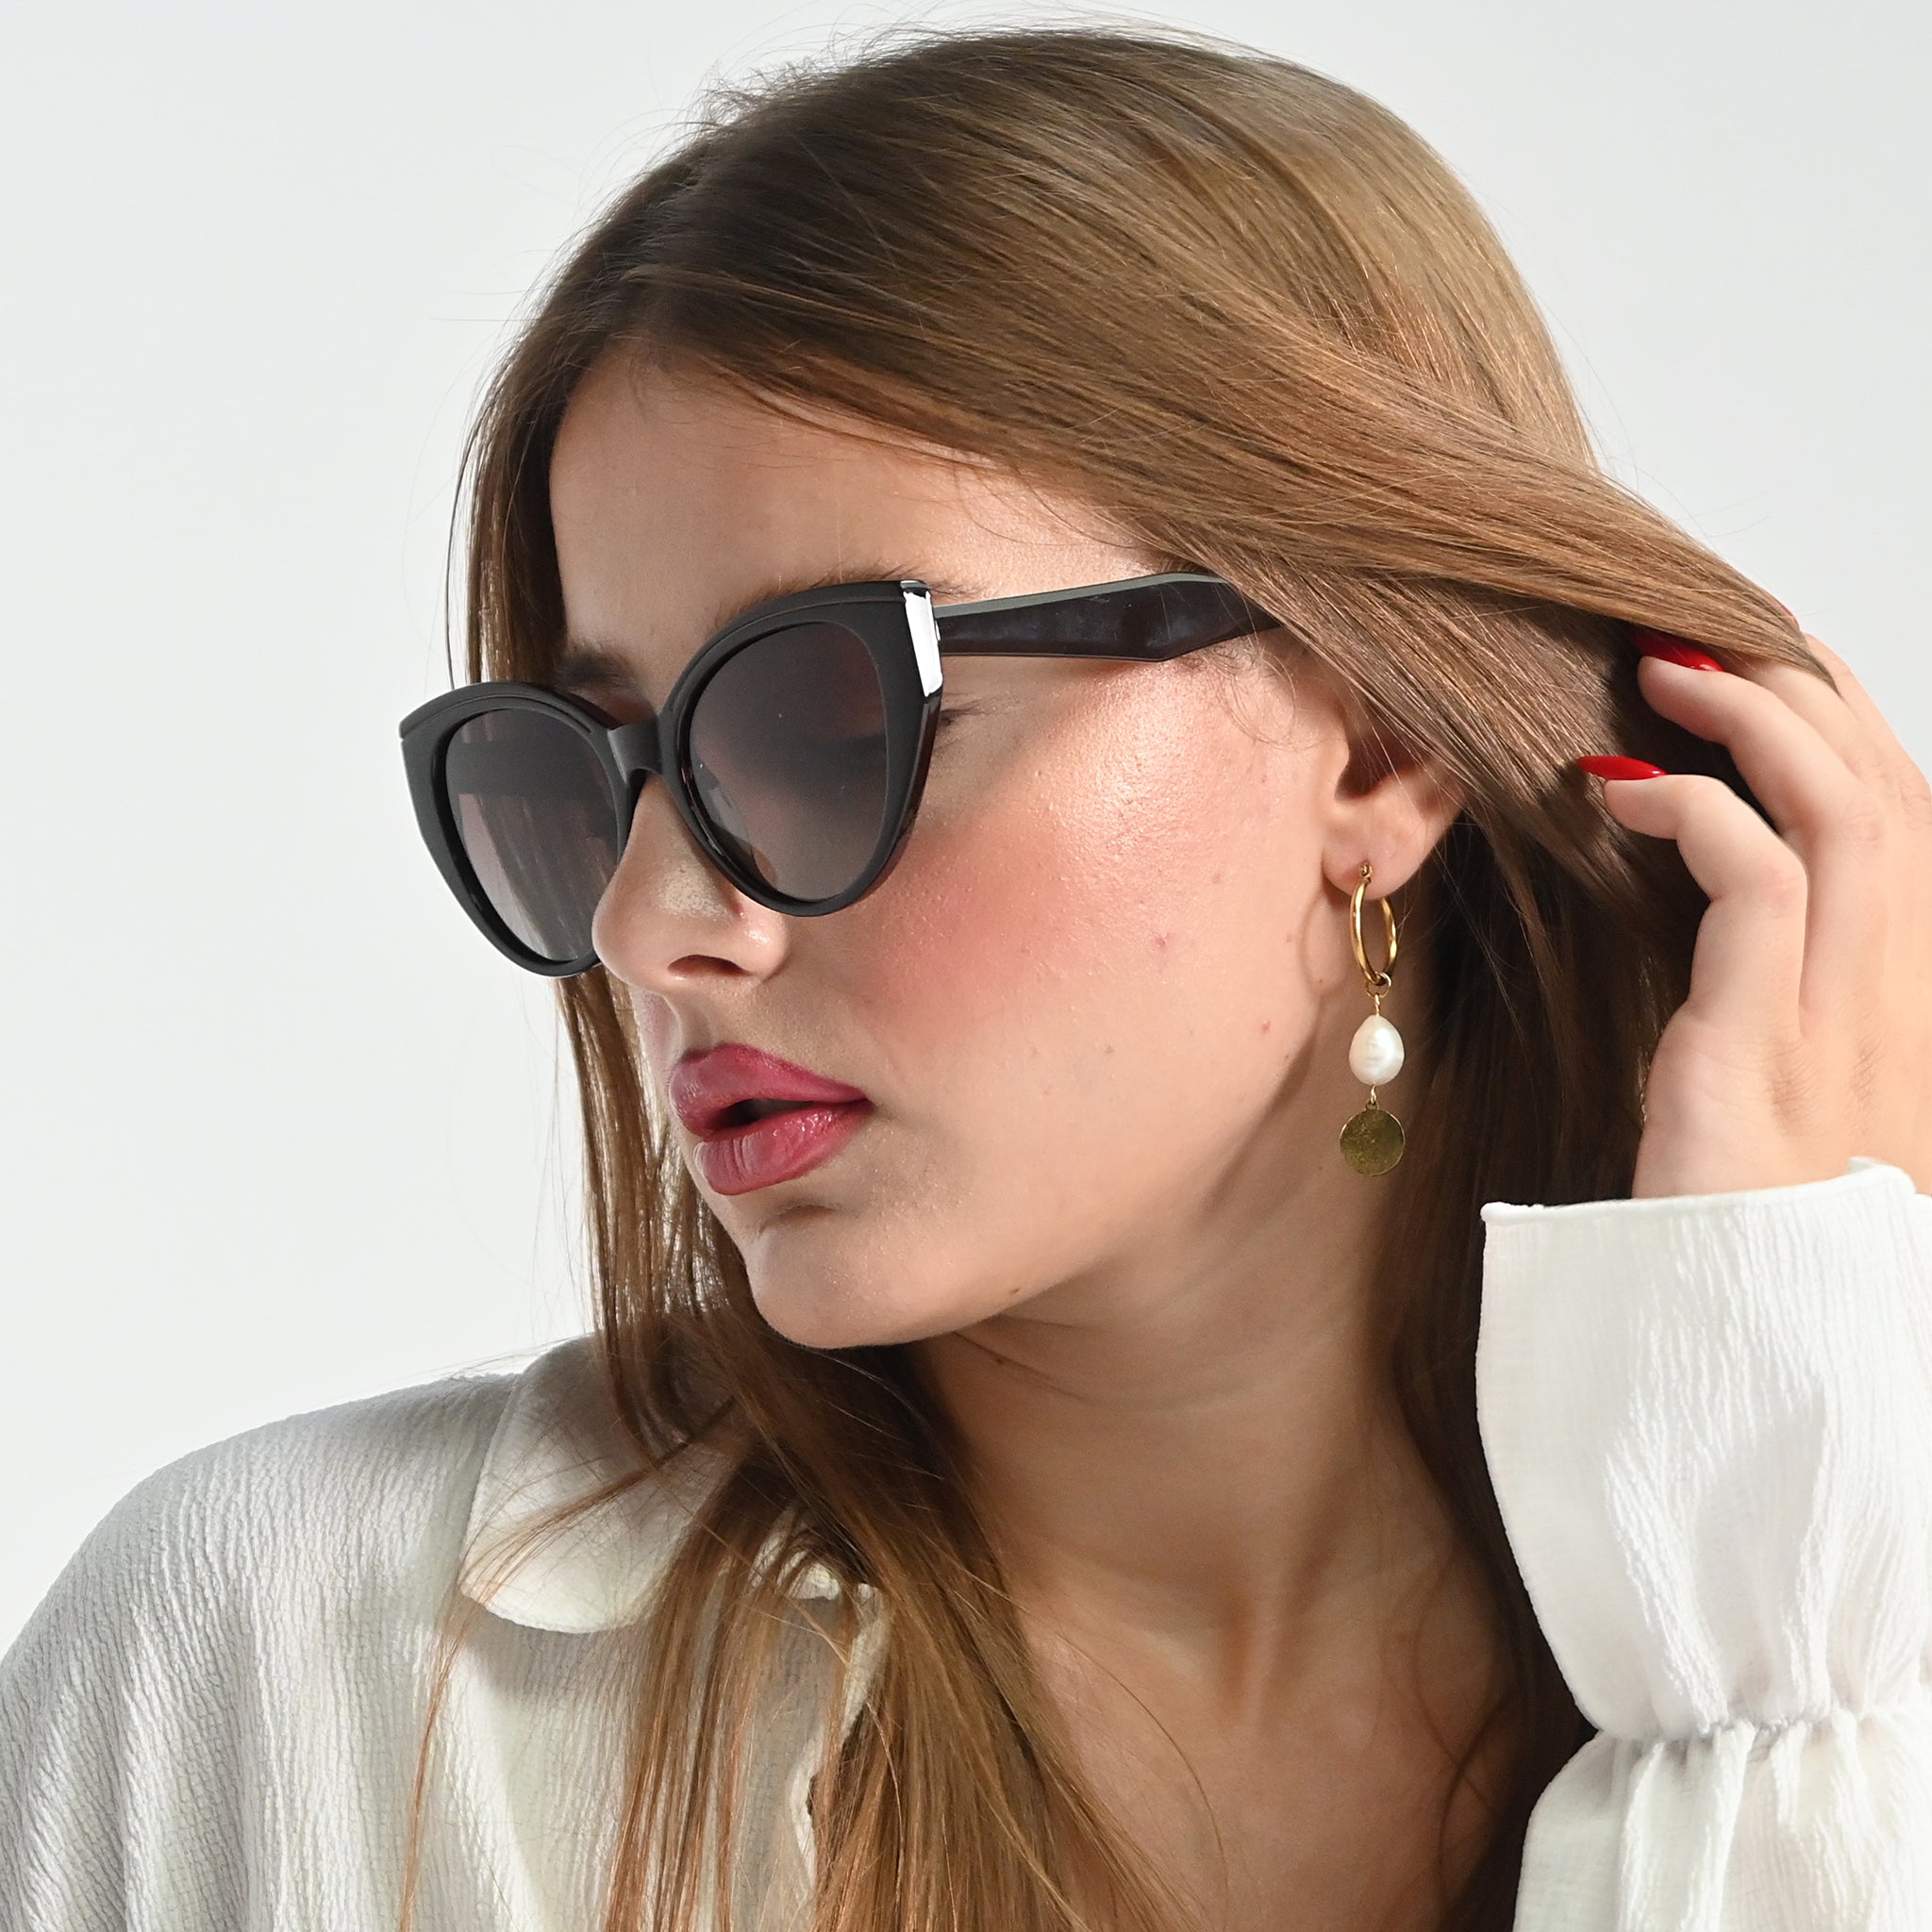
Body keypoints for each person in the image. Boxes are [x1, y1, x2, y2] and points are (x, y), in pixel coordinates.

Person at [3, 23, 1928, 1932]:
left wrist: (1780, 1636)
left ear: (1368, 746)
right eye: (595, 768)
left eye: (834, 719)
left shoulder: (1878, 1656)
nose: (649, 921)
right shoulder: (282, 1677)